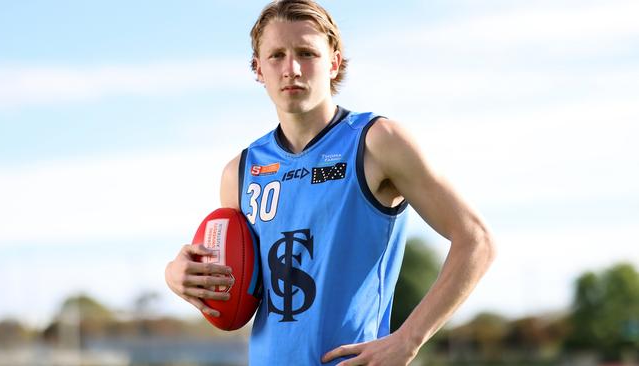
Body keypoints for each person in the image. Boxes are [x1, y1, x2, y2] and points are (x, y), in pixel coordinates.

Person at [165, 0, 496, 364]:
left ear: (334, 62)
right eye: (276, 56)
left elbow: (476, 241)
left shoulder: (376, 141)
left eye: (306, 53)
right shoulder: (240, 172)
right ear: (258, 69)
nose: (291, 68)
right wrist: (179, 276)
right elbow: (232, 293)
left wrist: (408, 338)